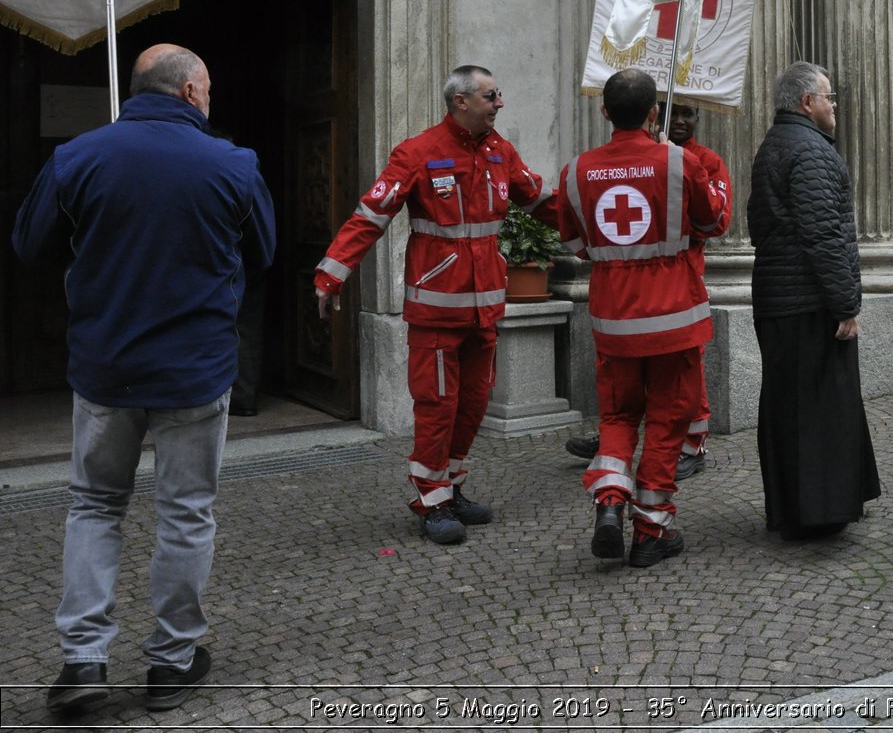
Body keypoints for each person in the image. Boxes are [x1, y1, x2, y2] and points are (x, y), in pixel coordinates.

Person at [11, 45, 276, 716]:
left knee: (96, 507)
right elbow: (267, 253)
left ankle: (83, 663)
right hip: (196, 370)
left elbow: (28, 243)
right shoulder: (233, 164)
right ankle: (173, 660)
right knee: (186, 513)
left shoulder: (79, 158)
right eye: (208, 89)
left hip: (106, 366)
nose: (209, 99)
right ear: (191, 90)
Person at [313, 65, 550, 544]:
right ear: (460, 102)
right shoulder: (418, 153)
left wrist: (596, 232)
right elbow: (369, 215)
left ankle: (452, 485)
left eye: (498, 94)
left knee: (474, 403)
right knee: (437, 405)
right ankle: (431, 498)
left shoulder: (500, 150)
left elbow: (541, 200)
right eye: (491, 95)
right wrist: (331, 273)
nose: (499, 103)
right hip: (437, 313)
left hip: (486, 310)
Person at [548, 69, 727, 568]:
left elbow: (573, 242)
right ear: (654, 113)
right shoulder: (680, 162)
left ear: (604, 112)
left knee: (618, 415)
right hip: (674, 314)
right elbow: (714, 221)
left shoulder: (577, 170)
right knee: (669, 421)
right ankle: (652, 530)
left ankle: (609, 498)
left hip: (614, 319)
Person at [747, 61, 881, 540]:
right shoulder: (811, 151)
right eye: (829, 97)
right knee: (821, 408)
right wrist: (845, 303)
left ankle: (791, 507)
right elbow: (822, 234)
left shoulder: (775, 145)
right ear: (808, 103)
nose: (834, 105)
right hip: (808, 304)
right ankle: (819, 512)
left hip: (780, 300)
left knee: (788, 406)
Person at [564, 100, 730, 479]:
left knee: (683, 374)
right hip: (637, 286)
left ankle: (691, 442)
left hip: (677, 280)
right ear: (656, 113)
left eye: (690, 114)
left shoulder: (702, 161)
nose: (682, 121)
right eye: (676, 112)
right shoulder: (649, 161)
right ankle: (622, 437)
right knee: (632, 383)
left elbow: (716, 221)